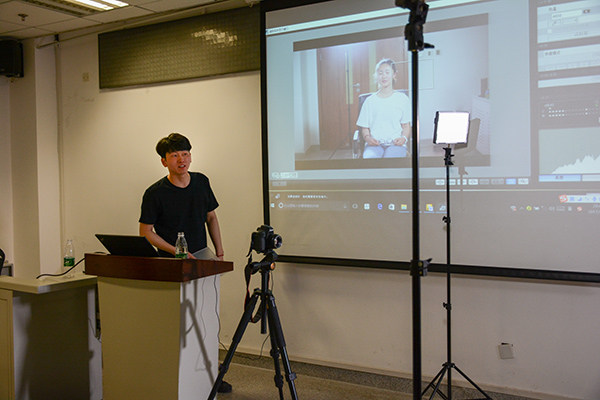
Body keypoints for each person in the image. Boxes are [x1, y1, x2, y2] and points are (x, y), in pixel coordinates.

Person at [139, 133, 231, 393]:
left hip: (203, 260)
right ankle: (176, 376)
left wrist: (219, 252)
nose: (182, 159)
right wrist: (177, 252)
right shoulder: (155, 193)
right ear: (164, 161)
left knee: (205, 319)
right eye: (175, 155)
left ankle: (209, 375)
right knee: (175, 323)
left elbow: (211, 217)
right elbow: (146, 232)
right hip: (170, 265)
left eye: (185, 154)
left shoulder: (201, 182)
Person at [356, 58, 412, 158]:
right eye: (380, 73)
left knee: (390, 161)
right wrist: (368, 139)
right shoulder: (369, 101)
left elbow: (406, 126)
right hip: (374, 145)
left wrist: (403, 138)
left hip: (396, 145)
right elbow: (364, 127)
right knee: (371, 159)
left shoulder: (402, 99)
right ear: (377, 76)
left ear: (394, 74)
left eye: (387, 72)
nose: (384, 76)